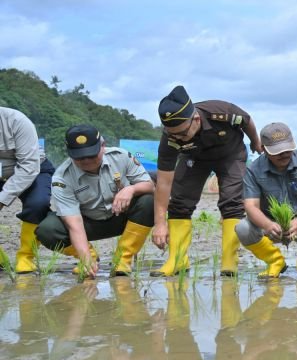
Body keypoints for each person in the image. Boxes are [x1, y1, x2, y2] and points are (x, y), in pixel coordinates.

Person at [152, 85, 262, 277]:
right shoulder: (170, 137)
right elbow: (163, 183)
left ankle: (229, 261)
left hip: (231, 154)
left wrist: (255, 141)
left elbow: (247, 121)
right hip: (194, 157)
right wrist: (160, 223)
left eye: (182, 133)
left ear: (195, 119)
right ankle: (177, 261)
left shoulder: (220, 112)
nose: (177, 137)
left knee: (231, 202)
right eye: (172, 134)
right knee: (179, 202)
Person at [35, 125, 155, 277]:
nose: (86, 161)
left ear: (102, 146)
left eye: (91, 155)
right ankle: (90, 260)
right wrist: (86, 257)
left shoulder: (121, 157)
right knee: (48, 230)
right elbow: (74, 224)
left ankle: (123, 259)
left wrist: (130, 190)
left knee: (149, 201)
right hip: (88, 224)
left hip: (122, 217)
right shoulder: (62, 178)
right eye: (79, 157)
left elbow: (150, 186)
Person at [235, 123, 297, 280]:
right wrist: (268, 225)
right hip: (271, 226)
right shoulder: (254, 170)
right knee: (243, 228)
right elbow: (250, 205)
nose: (284, 154)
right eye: (277, 151)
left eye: (287, 149)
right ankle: (275, 261)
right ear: (263, 148)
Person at [0, 106, 55, 273]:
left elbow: (28, 167)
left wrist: (2, 199)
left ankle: (26, 256)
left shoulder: (17, 121)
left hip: (32, 168)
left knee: (38, 203)